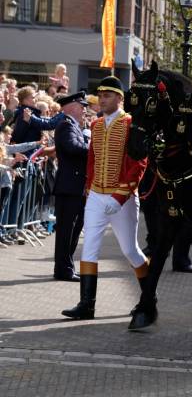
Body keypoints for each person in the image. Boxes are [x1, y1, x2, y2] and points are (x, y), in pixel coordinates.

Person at [62, 77, 149, 320]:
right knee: (89, 247)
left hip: (121, 197)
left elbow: (139, 162)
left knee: (130, 250)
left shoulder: (131, 124)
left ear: (120, 98)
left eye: (108, 95)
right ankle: (86, 305)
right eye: (100, 95)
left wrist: (121, 195)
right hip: (96, 196)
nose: (102, 99)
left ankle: (148, 296)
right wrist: (89, 188)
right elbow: (91, 159)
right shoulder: (98, 125)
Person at [51, 92, 90, 282]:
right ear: (72, 106)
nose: (84, 109)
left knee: (73, 230)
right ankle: (63, 270)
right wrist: (95, 148)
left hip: (75, 187)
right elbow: (72, 147)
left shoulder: (74, 126)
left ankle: (66, 267)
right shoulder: (66, 125)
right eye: (81, 106)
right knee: (67, 231)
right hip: (69, 187)